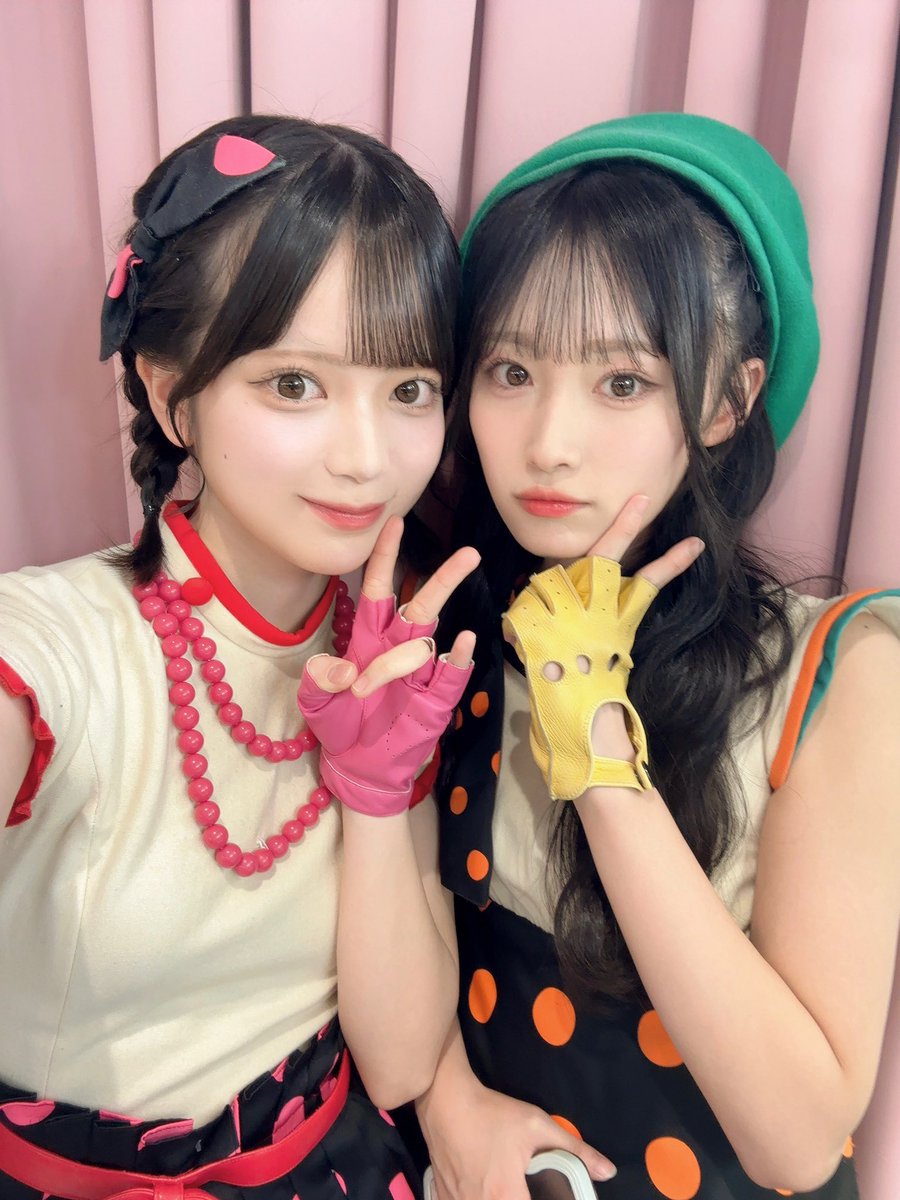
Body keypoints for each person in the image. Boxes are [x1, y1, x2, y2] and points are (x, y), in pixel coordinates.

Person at [417, 113, 900, 1200]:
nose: (549, 443)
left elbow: (796, 1140)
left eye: (623, 382)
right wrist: (448, 1106)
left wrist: (593, 734)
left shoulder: (832, 673)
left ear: (729, 401)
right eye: (509, 369)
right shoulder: (442, 622)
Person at [0, 115, 477, 1199]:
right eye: (295, 384)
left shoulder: (395, 664)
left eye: (409, 390)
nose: (366, 458)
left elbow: (401, 1062)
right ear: (174, 392)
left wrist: (377, 792)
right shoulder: (53, 645)